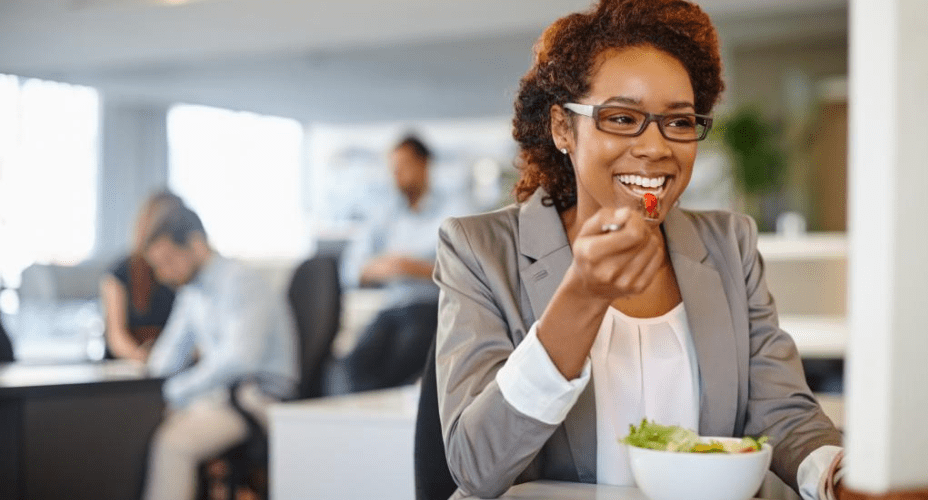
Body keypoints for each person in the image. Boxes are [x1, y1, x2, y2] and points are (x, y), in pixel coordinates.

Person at [433, 1, 845, 499]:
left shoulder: (729, 245)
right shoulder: (478, 250)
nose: (655, 147)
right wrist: (582, 297)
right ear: (564, 127)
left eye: (678, 122)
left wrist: (842, 480)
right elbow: (475, 465)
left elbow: (784, 411)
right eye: (623, 118)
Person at [140, 203, 298, 500]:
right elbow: (168, 355)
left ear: (196, 244)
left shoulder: (241, 282)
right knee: (142, 426)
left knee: (173, 444)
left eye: (169, 260)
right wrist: (144, 385)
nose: (164, 273)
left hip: (259, 397)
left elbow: (240, 359)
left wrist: (177, 390)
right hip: (220, 396)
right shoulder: (192, 291)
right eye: (157, 266)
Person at [338, 134, 468, 392]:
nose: (396, 174)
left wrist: (414, 268)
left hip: (432, 308)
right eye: (393, 168)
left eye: (403, 166)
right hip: (393, 307)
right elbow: (351, 270)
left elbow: (468, 270)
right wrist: (390, 267)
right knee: (354, 365)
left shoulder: (455, 209)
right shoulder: (385, 213)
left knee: (398, 366)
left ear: (424, 165)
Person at [100, 190, 183, 362]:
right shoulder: (118, 274)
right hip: (130, 370)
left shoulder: (185, 278)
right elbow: (116, 338)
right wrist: (144, 358)